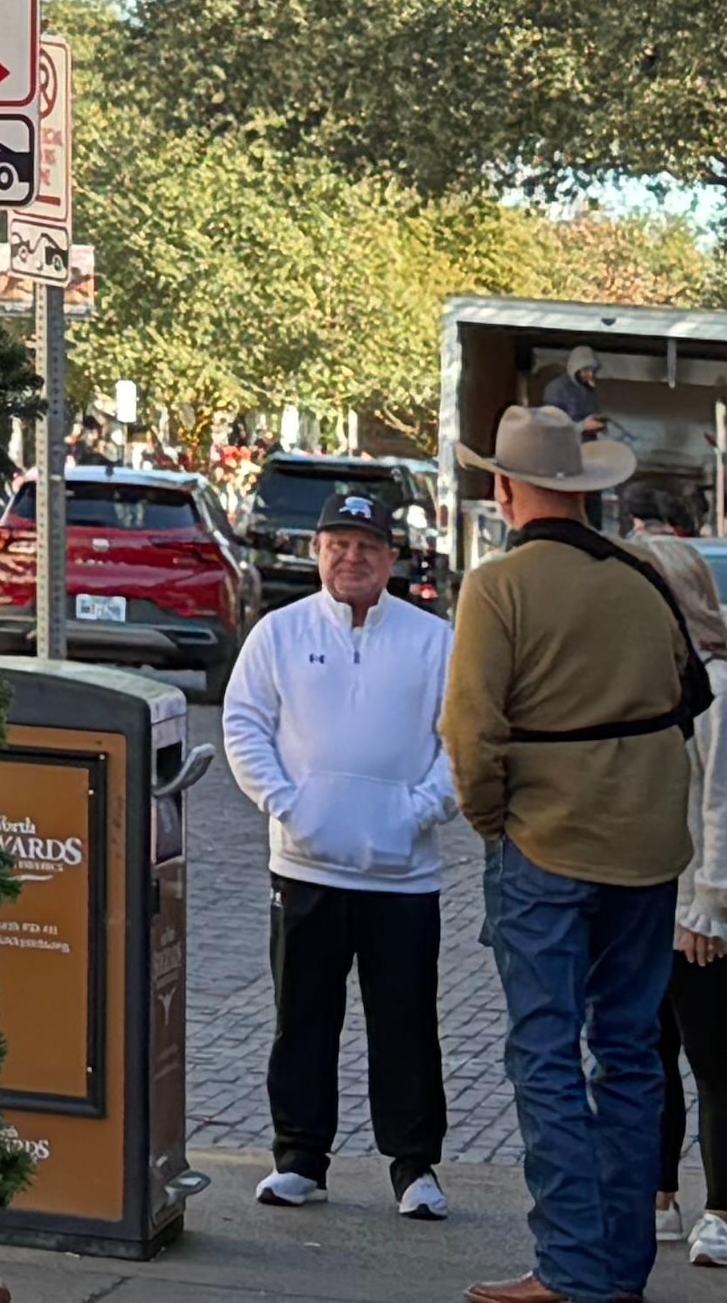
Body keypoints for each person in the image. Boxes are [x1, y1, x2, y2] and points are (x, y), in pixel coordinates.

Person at [448, 404, 709, 1303]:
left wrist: (494, 821)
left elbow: (471, 732)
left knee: (546, 1053)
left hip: (546, 845)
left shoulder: (498, 586)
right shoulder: (641, 577)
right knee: (633, 1053)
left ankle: (568, 1270)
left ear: (505, 487)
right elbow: (688, 694)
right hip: (646, 847)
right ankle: (619, 1272)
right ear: (583, 489)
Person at [222, 484, 458, 1219]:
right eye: (338, 547)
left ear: (391, 558)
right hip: (305, 867)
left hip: (404, 874)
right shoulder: (280, 633)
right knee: (304, 1015)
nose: (351, 559)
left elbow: (462, 740)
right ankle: (300, 1158)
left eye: (366, 548)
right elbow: (243, 724)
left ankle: (414, 1166)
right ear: (317, 552)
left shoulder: (432, 640)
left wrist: (421, 810)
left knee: (407, 1021)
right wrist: (289, 806)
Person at [642, 537, 727, 1271]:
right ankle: (658, 1197)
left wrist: (711, 904)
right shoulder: (648, 679)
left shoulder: (720, 686)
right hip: (642, 900)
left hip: (695, 909)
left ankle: (718, 1211)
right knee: (649, 1055)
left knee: (707, 1053)